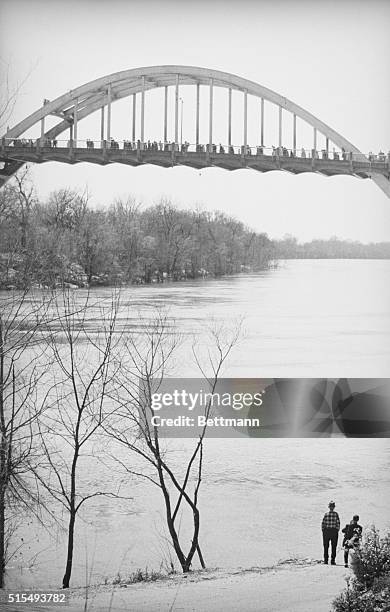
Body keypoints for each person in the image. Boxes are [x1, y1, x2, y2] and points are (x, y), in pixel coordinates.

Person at [321, 500, 340, 565]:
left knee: (326, 546)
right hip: (334, 531)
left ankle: (326, 560)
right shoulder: (336, 514)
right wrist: (337, 530)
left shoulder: (326, 514)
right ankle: (332, 560)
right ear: (334, 507)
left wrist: (323, 531)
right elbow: (338, 523)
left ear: (329, 507)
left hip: (326, 531)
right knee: (334, 546)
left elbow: (323, 524)